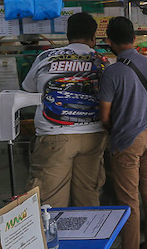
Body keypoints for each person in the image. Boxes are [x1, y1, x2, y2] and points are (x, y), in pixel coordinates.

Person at [96, 17, 147, 249]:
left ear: (109, 42)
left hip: (128, 140)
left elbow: (104, 116)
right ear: (134, 38)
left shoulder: (112, 72)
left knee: (129, 202)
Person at [22, 12, 108, 208]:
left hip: (54, 137)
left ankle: (55, 239)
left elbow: (29, 89)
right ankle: (87, 237)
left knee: (49, 204)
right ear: (93, 37)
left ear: (67, 35)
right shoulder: (101, 60)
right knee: (88, 200)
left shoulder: (45, 56)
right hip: (93, 136)